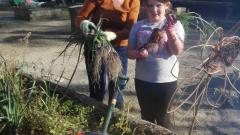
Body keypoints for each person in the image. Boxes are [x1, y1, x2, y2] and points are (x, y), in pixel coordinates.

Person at [127, 0, 184, 129]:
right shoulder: (138, 26)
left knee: (163, 118)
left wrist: (170, 31)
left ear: (166, 6)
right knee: (146, 117)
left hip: (167, 81)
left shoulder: (175, 25)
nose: (154, 10)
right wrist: (138, 53)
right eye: (150, 6)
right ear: (145, 7)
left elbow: (177, 51)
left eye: (158, 5)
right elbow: (129, 53)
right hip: (143, 80)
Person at [75, 0, 140, 109]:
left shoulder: (133, 1)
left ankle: (115, 118)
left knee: (116, 86)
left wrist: (114, 35)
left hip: (120, 47)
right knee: (97, 84)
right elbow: (80, 17)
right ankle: (94, 115)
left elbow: (130, 29)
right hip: (96, 44)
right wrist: (83, 23)